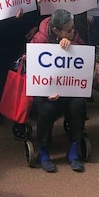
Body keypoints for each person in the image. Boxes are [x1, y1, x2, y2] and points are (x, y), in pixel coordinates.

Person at [30, 9, 87, 173]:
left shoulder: (73, 36)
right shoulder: (40, 39)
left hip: (69, 87)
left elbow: (84, 55)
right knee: (47, 110)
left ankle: (74, 149)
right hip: (46, 91)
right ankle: (43, 152)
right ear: (56, 30)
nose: (73, 32)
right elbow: (33, 67)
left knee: (79, 104)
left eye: (73, 28)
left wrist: (72, 46)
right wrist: (48, 90)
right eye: (68, 30)